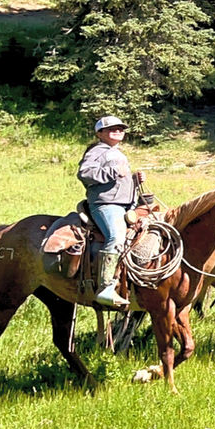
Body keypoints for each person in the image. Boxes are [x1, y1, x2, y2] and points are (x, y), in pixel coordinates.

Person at [76, 116, 138, 309]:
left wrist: (135, 181)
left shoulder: (117, 153)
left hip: (125, 205)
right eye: (112, 129)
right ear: (100, 133)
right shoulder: (97, 151)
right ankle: (106, 287)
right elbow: (84, 173)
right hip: (106, 205)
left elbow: (119, 182)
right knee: (116, 237)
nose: (118, 131)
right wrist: (112, 173)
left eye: (120, 128)